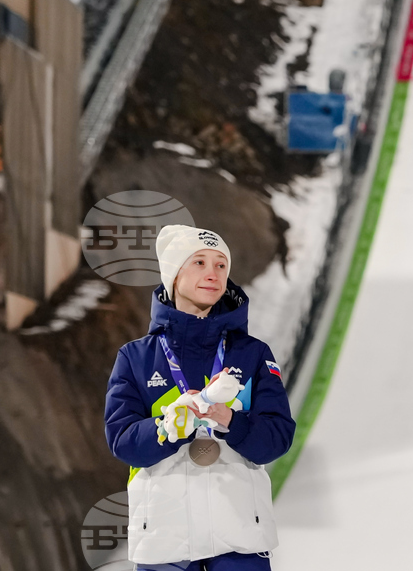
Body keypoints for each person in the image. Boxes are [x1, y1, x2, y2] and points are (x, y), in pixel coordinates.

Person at [104, 225, 296, 570]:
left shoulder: (251, 354)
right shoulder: (136, 357)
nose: (213, 273)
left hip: (241, 537)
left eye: (221, 265)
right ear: (173, 276)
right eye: (199, 263)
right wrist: (167, 429)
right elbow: (122, 441)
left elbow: (277, 439)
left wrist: (231, 422)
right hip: (165, 538)